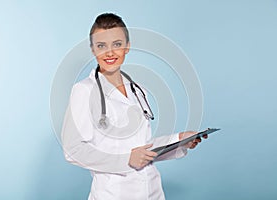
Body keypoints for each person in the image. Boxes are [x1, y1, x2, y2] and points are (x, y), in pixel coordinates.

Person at [61, 13, 207, 200]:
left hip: (152, 191)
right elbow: (73, 150)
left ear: (127, 46)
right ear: (92, 50)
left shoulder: (138, 90)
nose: (110, 52)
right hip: (113, 194)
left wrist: (179, 140)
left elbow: (141, 150)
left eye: (117, 44)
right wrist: (125, 160)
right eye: (101, 46)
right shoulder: (84, 91)